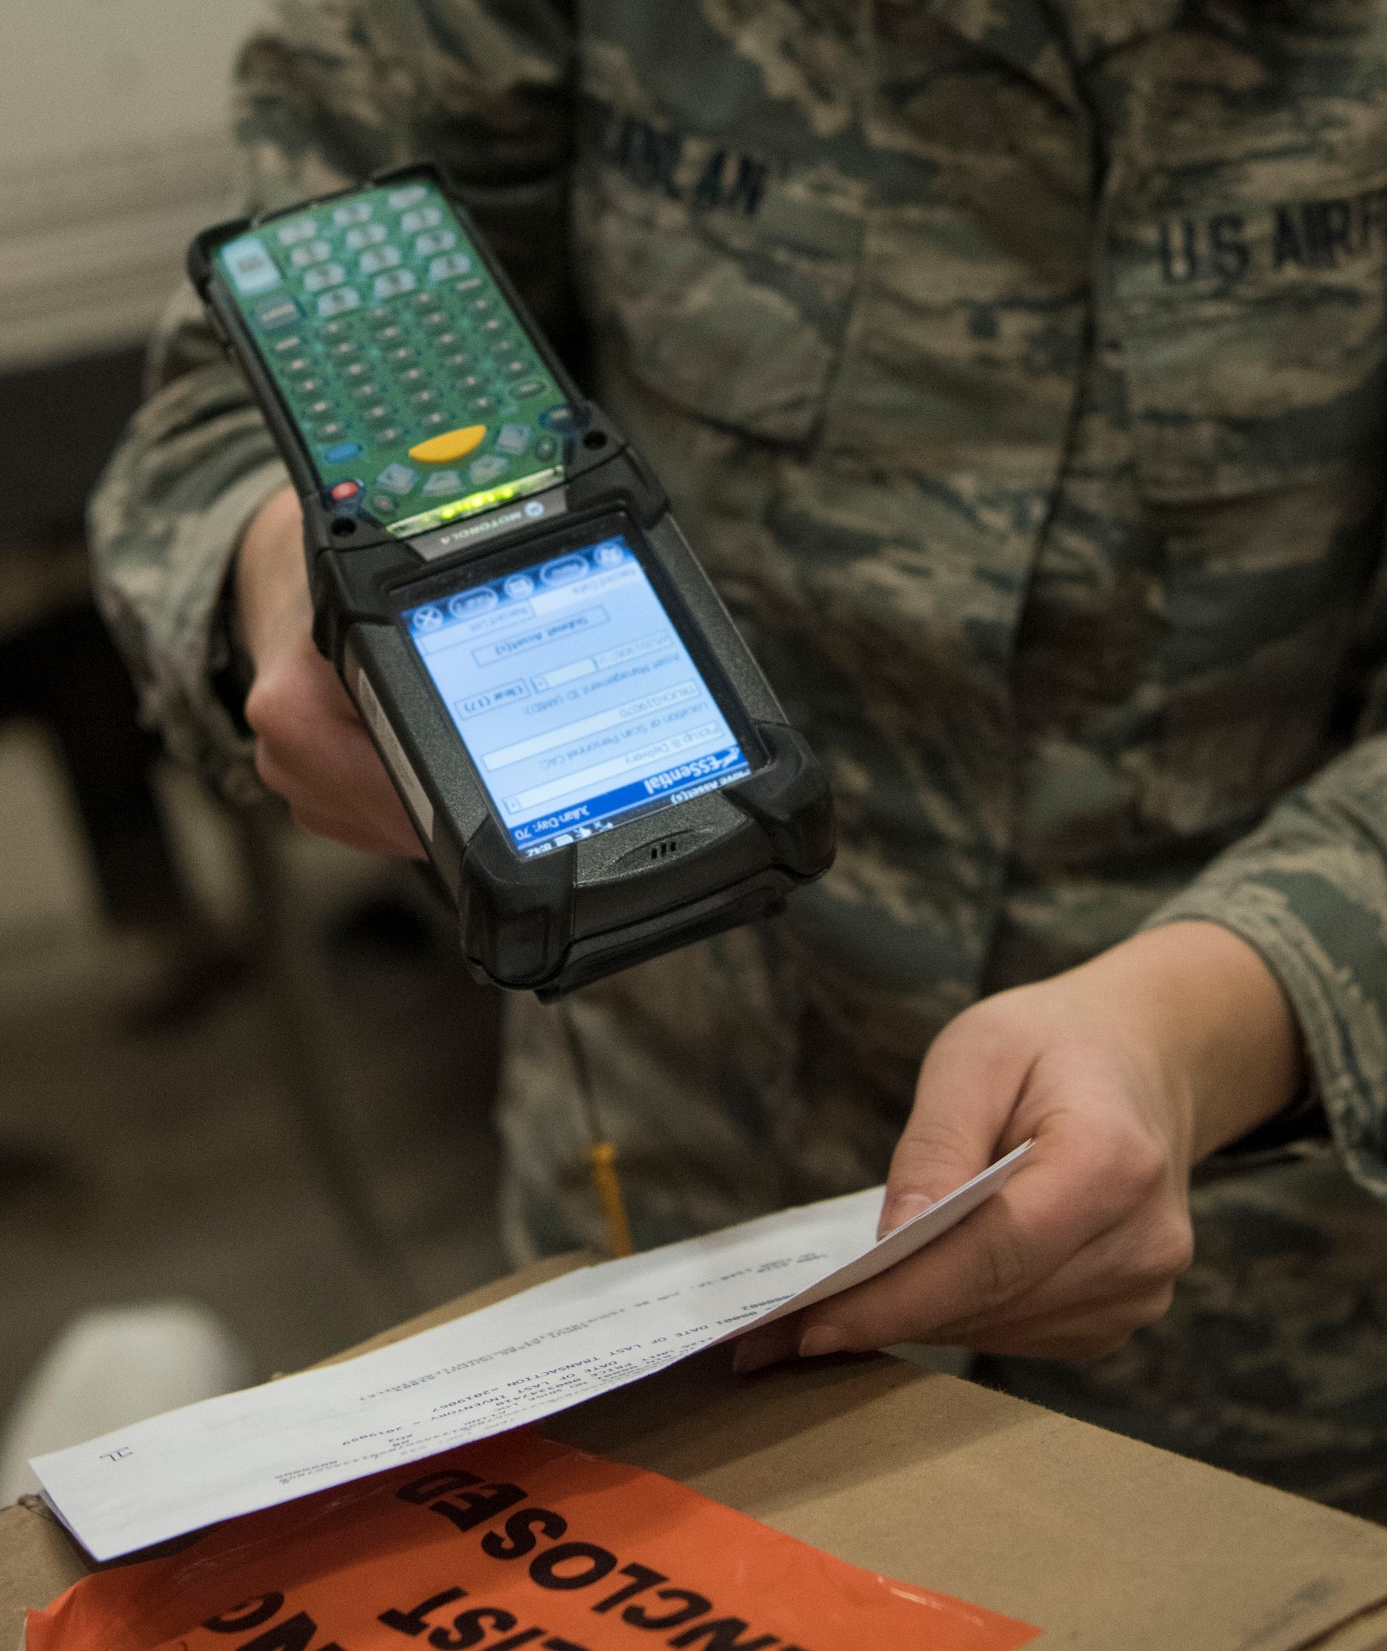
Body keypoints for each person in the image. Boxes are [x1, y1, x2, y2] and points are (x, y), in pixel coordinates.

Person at [91, 2, 1387, 1517]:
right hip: (681, 1226)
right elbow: (216, 411)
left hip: (1269, 1300)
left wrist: (1206, 1023)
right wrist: (285, 586)